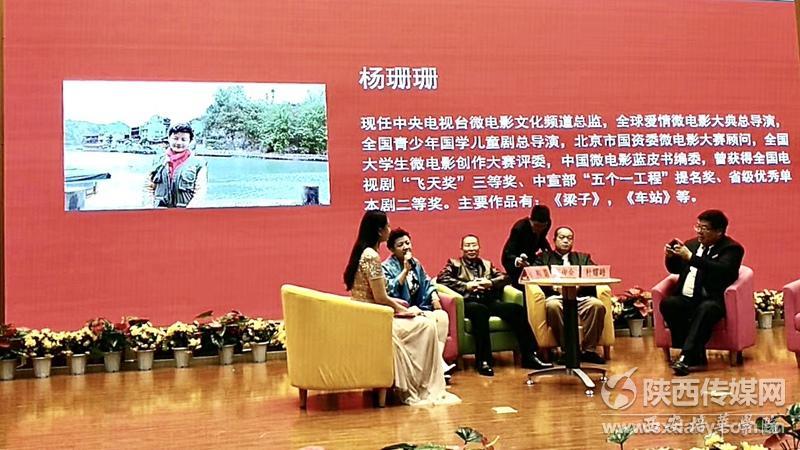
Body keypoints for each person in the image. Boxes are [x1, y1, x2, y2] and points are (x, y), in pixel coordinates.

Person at [343, 210, 460, 406]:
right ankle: (420, 382)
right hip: (375, 318)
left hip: (375, 314)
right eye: (387, 226)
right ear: (380, 231)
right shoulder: (372, 256)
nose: (389, 230)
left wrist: (427, 300)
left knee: (431, 320)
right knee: (426, 326)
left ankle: (431, 373)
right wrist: (405, 310)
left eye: (407, 242)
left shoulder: (368, 253)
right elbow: (381, 297)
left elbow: (426, 283)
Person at [437, 234, 552, 377]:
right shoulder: (454, 264)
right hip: (469, 302)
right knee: (480, 312)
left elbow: (505, 277)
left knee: (517, 310)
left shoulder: (487, 264)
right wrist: (466, 286)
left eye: (474, 245)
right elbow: (442, 279)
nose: (471, 249)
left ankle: (529, 355)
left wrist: (490, 283)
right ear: (462, 249)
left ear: (479, 247)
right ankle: (483, 360)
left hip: (488, 300)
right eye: (468, 245)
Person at [660, 209, 744, 376]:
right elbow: (675, 269)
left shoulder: (732, 249)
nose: (699, 231)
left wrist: (691, 258)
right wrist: (670, 257)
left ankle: (686, 357)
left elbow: (722, 270)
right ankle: (695, 353)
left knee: (705, 309)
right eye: (697, 227)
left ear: (719, 232)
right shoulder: (691, 245)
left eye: (704, 228)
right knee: (668, 303)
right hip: (687, 298)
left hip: (712, 300)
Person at [381, 228, 455, 375]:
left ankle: (437, 364)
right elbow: (390, 290)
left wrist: (434, 297)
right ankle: (438, 368)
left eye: (407, 243)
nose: (406, 247)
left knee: (442, 317)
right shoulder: (386, 267)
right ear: (392, 249)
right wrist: (405, 271)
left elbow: (427, 282)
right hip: (402, 310)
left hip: (420, 307)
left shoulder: (416, 263)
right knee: (429, 322)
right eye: (400, 245)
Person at [534, 226, 607, 365]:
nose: (566, 241)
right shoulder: (544, 258)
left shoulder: (583, 258)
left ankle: (589, 351)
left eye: (569, 238)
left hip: (580, 297)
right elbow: (534, 276)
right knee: (553, 306)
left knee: (597, 305)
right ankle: (568, 351)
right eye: (562, 238)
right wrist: (553, 287)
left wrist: (579, 286)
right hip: (556, 297)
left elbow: (594, 274)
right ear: (554, 240)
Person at [144, 123, 208, 208]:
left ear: (190, 141)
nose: (179, 143)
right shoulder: (158, 161)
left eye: (183, 139)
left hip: (185, 212)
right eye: (175, 138)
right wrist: (149, 207)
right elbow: (148, 187)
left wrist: (190, 212)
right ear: (169, 138)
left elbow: (200, 192)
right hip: (159, 211)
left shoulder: (198, 164)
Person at [502, 205, 552, 291]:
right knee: (521, 284)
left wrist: (549, 253)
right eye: (536, 225)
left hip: (531, 254)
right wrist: (518, 260)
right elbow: (509, 252)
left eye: (542, 226)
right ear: (530, 220)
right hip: (513, 258)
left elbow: (542, 238)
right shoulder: (519, 228)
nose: (539, 229)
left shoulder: (547, 224)